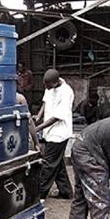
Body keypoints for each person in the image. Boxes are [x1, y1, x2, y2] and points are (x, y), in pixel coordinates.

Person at [34, 69, 74, 199]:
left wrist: (38, 128)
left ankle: (40, 194)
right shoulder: (50, 86)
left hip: (59, 134)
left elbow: (57, 117)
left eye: (48, 85)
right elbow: (45, 102)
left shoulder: (66, 92)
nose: (46, 87)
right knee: (58, 163)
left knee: (49, 164)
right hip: (49, 132)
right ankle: (66, 192)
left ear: (56, 82)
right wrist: (38, 116)